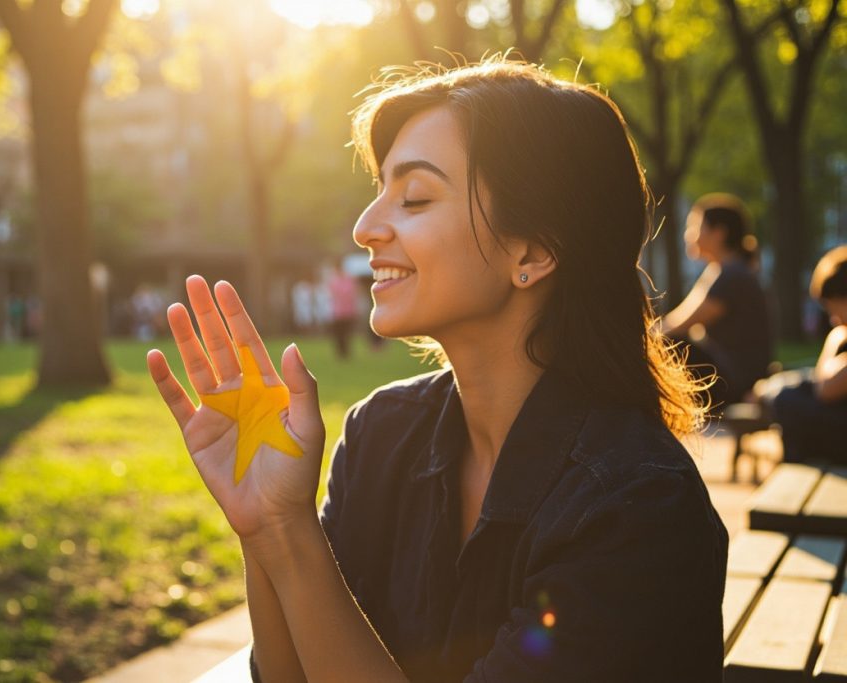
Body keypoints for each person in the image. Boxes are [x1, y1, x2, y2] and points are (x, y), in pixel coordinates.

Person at [147, 57, 727, 682]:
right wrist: (267, 529)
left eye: (415, 197)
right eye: (379, 193)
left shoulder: (634, 505)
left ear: (531, 251)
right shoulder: (382, 433)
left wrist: (292, 535)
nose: (366, 228)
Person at [662, 194, 773, 410]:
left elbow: (678, 325)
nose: (688, 236)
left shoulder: (732, 275)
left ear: (719, 233)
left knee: (667, 343)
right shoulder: (724, 270)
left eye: (696, 227)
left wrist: (642, 340)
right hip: (735, 375)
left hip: (735, 382)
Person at [754, 245, 847, 464]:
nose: (834, 319)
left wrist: (837, 337)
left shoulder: (840, 335)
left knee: (786, 400)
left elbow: (826, 389)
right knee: (795, 389)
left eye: (834, 308)